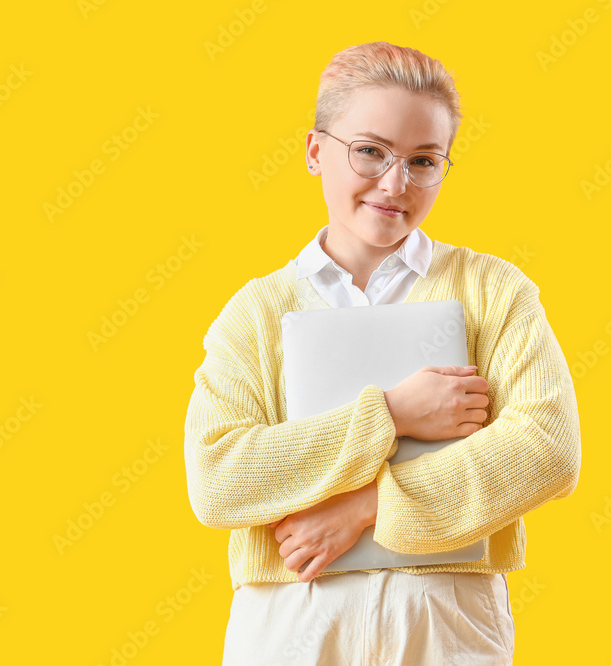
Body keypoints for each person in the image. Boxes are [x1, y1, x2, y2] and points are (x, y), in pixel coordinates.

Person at [184, 41, 582, 666]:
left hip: (446, 623)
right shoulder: (256, 313)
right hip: (294, 626)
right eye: (370, 151)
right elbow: (219, 478)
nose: (395, 183)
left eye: (424, 160)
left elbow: (548, 448)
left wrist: (370, 508)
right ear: (316, 152)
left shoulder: (493, 290)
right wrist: (391, 414)